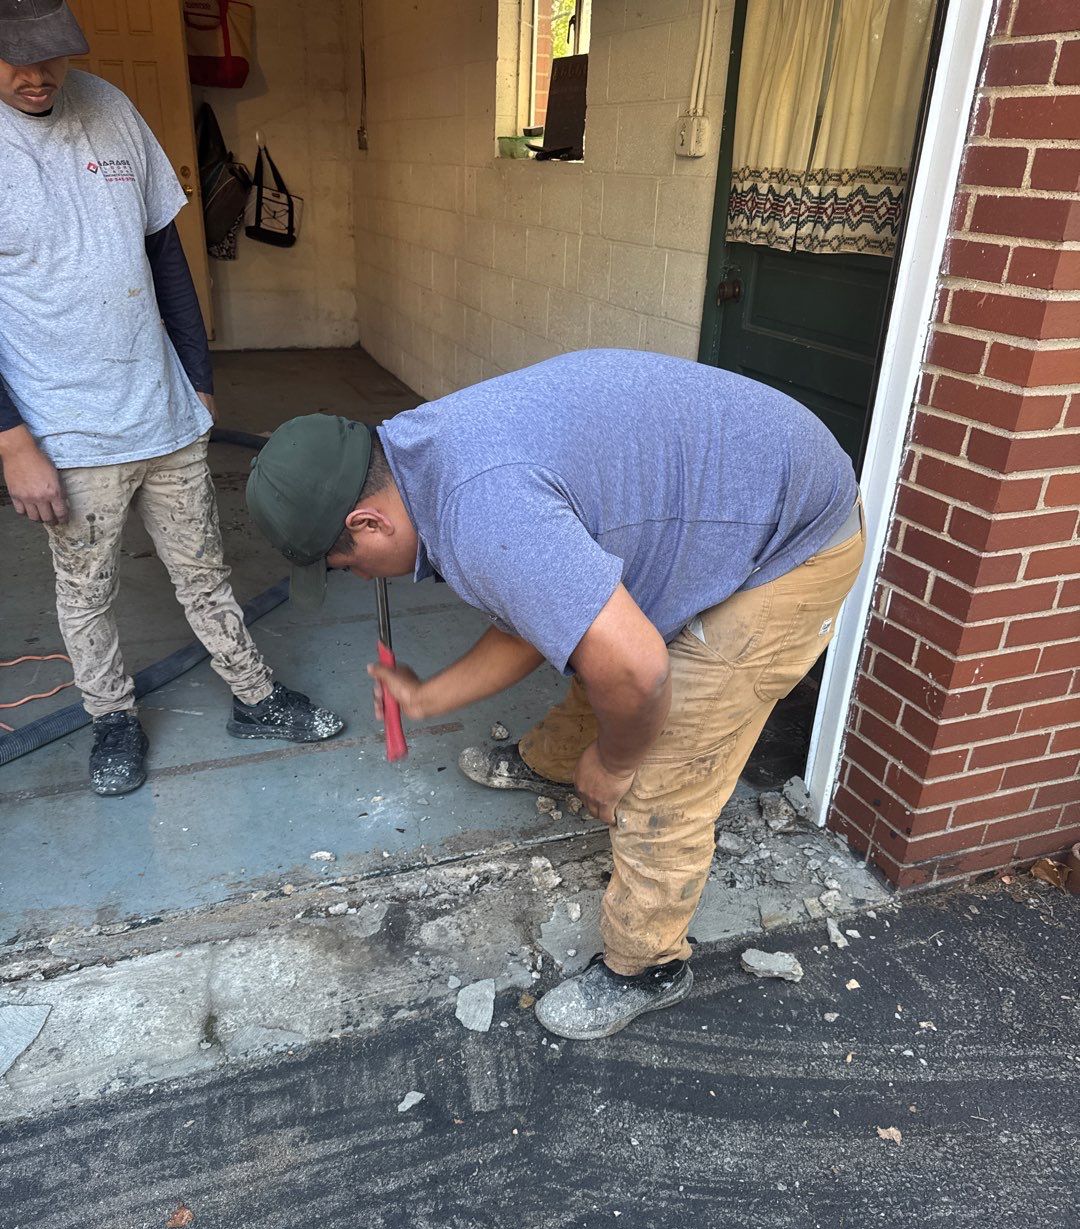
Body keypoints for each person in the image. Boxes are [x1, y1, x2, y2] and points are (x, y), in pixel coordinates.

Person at [246, 350, 865, 1040]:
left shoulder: (484, 513)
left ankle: (648, 966)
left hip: (794, 540)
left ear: (369, 523)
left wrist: (617, 761)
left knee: (662, 769)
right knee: (590, 635)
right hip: (740, 487)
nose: (357, 577)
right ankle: (560, 761)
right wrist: (428, 698)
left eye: (344, 564)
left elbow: (638, 669)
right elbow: (538, 608)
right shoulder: (419, 453)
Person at [0, 0, 343, 796]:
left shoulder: (109, 108)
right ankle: (111, 718)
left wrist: (199, 377)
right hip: (67, 430)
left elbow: (164, 253)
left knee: (204, 570)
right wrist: (12, 440)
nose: (37, 76)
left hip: (163, 411)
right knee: (87, 592)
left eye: (52, 56)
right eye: (15, 59)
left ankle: (254, 695)